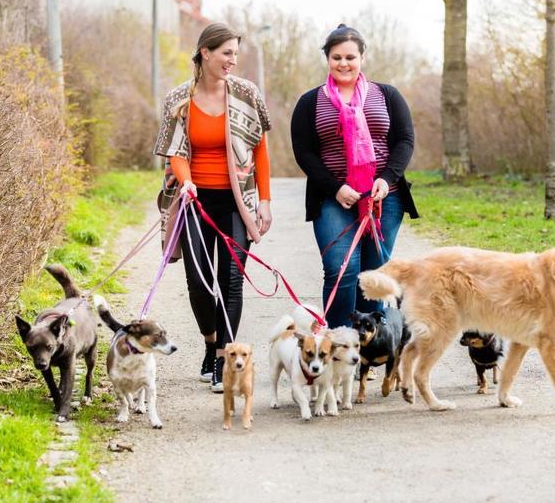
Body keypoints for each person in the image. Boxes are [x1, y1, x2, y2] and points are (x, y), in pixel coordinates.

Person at [154, 23, 272, 392]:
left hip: (238, 201)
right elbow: (175, 151)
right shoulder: (179, 100)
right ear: (205, 52)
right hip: (194, 199)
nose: (232, 61)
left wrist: (264, 201)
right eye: (226, 53)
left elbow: (260, 150)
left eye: (235, 54)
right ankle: (209, 342)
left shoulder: (246, 94)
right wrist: (186, 181)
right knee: (200, 282)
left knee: (231, 280)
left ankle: (224, 355)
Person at [290, 23, 419, 329]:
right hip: (333, 196)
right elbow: (304, 152)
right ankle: (337, 343)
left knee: (374, 275)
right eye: (336, 57)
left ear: (362, 57)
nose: (343, 63)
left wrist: (386, 179)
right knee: (340, 269)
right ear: (327, 59)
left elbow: (405, 140)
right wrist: (336, 188)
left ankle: (366, 349)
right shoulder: (311, 102)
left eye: (350, 56)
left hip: (383, 196)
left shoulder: (386, 95)